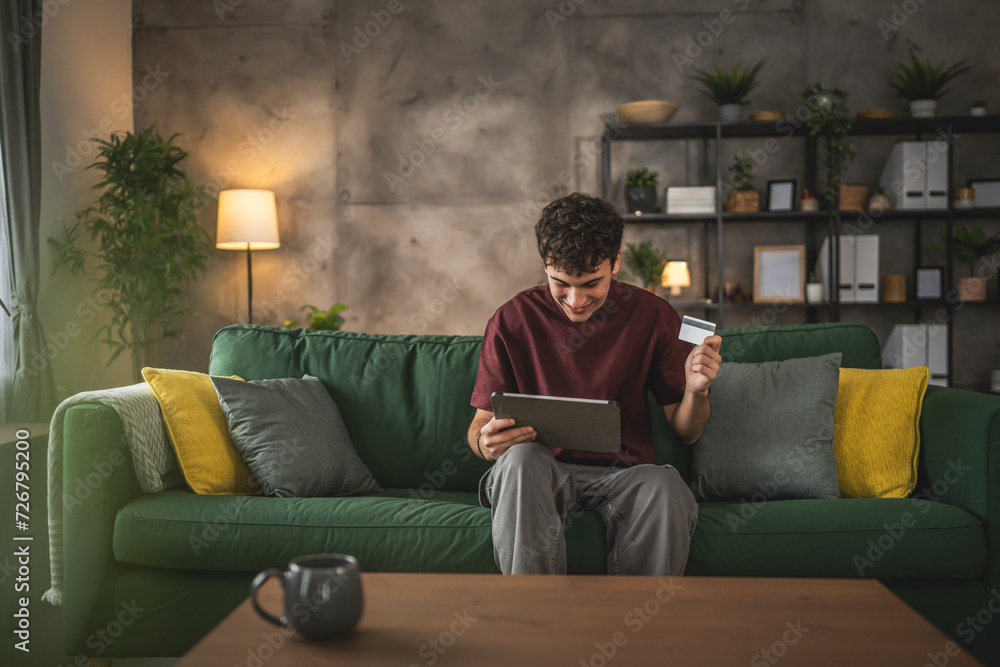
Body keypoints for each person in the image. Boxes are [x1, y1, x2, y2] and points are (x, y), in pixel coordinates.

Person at [467, 191, 722, 576]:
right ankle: (533, 622)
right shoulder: (511, 319)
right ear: (545, 266)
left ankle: (635, 628)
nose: (575, 300)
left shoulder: (653, 315)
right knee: (519, 461)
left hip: (625, 474)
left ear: (615, 261)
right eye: (560, 283)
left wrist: (696, 390)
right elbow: (477, 429)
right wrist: (485, 444)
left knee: (666, 488)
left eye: (590, 283)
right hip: (538, 472)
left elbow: (687, 431)